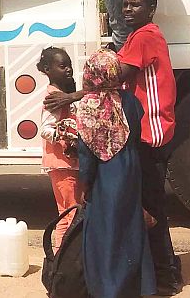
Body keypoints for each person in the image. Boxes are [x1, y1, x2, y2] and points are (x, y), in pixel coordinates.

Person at [73, 48, 156, 298]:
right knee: (131, 223)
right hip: (130, 167)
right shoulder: (129, 100)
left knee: (105, 228)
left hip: (106, 173)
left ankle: (108, 287)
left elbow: (87, 153)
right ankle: (142, 285)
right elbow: (138, 122)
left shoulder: (88, 106)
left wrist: (85, 183)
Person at [117, 0, 181, 294]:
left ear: (150, 9)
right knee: (146, 205)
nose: (128, 9)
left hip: (150, 134)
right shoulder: (136, 36)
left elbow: (114, 74)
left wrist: (74, 94)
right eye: (126, 4)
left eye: (135, 5)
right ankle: (160, 269)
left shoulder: (144, 36)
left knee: (151, 208)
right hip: (145, 133)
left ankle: (166, 275)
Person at [37, 46, 79, 252]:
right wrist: (66, 138)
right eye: (62, 66)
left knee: (67, 213)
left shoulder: (63, 93)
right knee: (70, 214)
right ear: (47, 69)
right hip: (63, 164)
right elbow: (45, 128)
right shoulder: (54, 97)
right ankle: (64, 259)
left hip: (66, 164)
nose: (68, 70)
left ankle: (60, 259)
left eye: (69, 65)